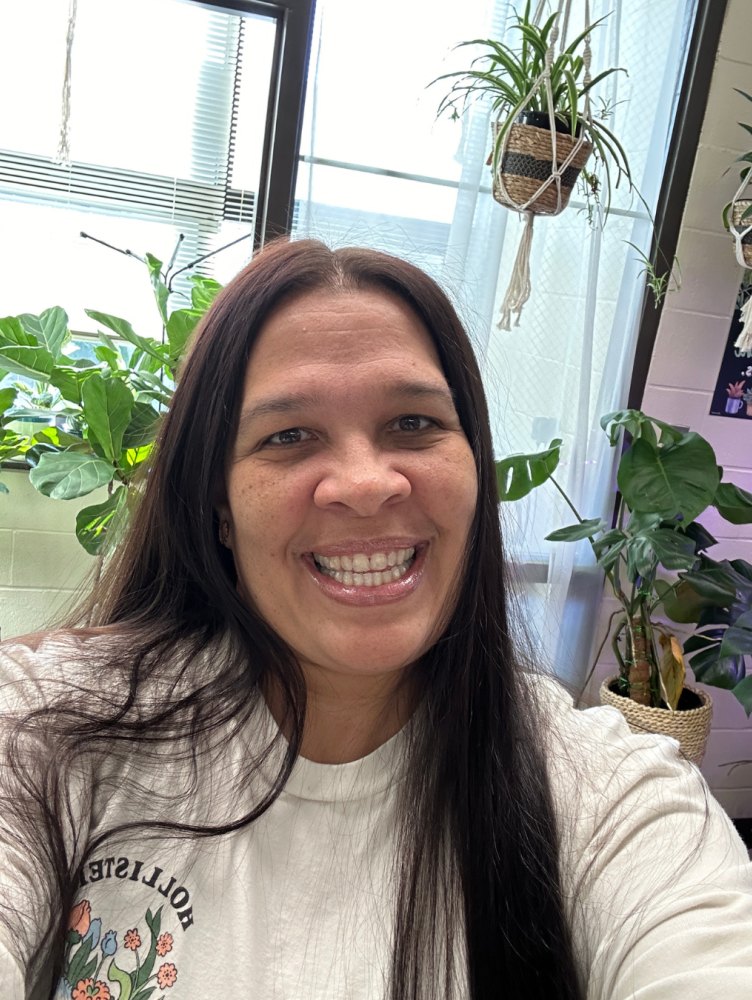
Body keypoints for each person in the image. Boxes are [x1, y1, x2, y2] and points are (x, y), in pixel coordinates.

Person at [0, 239, 750, 1000]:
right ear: (219, 509)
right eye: (288, 436)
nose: (365, 483)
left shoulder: (610, 799)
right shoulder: (47, 730)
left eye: (414, 424)